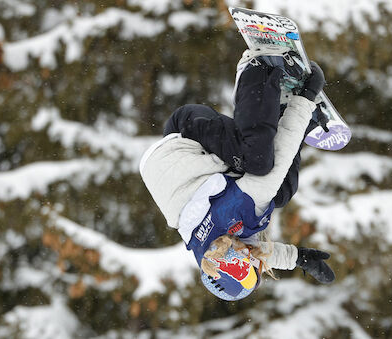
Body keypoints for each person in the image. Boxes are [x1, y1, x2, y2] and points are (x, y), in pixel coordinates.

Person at [139, 47, 335, 301]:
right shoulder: (219, 251)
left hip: (186, 132)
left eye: (248, 268)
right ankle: (283, 107)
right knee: (280, 194)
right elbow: (258, 252)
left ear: (233, 263)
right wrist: (300, 259)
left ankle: (257, 69)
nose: (254, 262)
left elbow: (279, 161)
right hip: (197, 161)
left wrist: (307, 98)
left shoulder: (234, 212)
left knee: (259, 163)